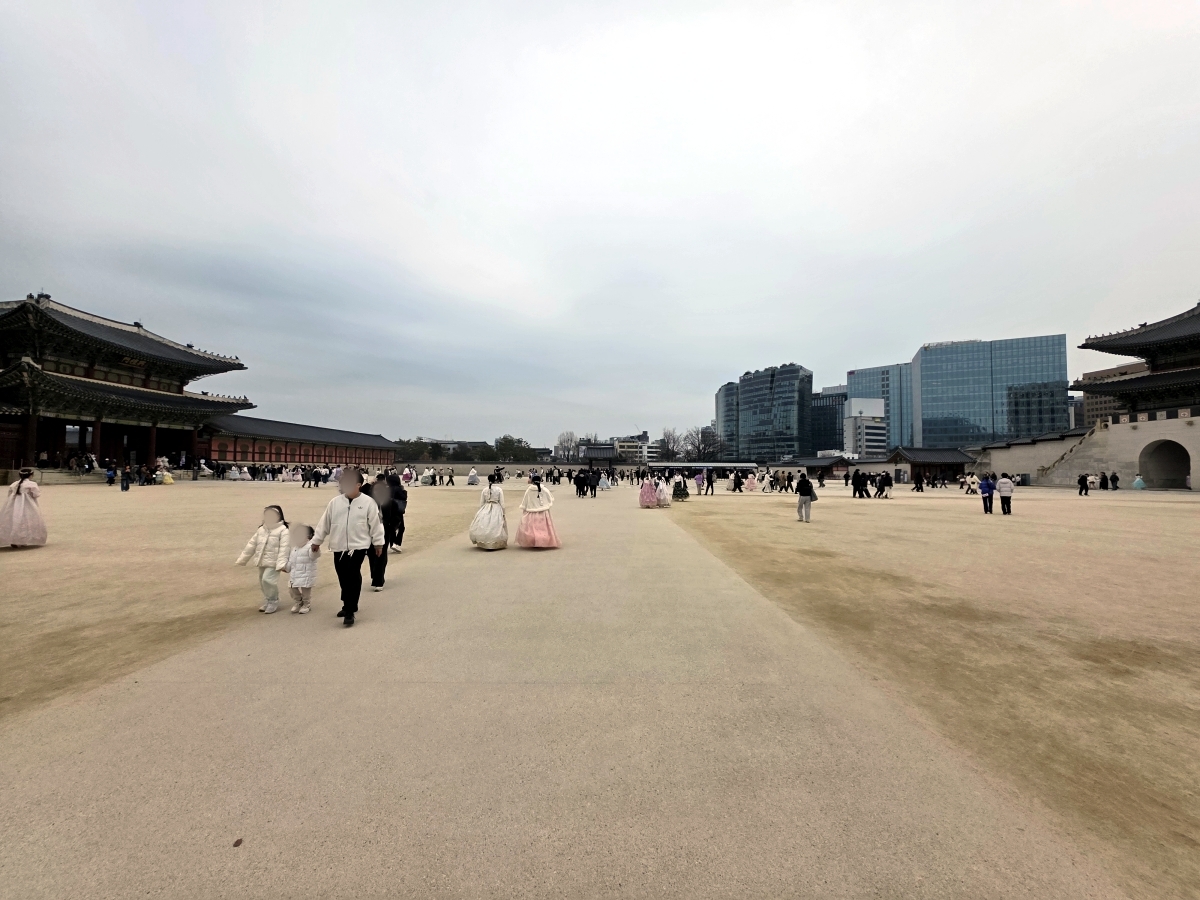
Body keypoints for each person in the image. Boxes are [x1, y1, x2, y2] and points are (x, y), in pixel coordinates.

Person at [311, 468, 385, 627]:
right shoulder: (335, 502)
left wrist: (378, 543)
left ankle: (350, 609)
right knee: (342, 575)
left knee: (352, 574)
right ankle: (348, 603)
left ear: (359, 484)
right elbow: (324, 523)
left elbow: (376, 525)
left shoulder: (368, 502)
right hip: (338, 546)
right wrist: (317, 541)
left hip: (358, 546)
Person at [235, 505, 291, 613]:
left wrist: (282, 563)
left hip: (274, 562)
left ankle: (274, 600)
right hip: (262, 560)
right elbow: (251, 545)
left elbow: (285, 548)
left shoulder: (283, 530)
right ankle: (268, 599)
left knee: (268, 580)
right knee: (262, 581)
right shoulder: (261, 529)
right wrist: (243, 559)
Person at [0, 468, 48, 547]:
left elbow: (9, 494)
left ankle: (14, 539)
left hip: (13, 504)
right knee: (27, 519)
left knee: (14, 519)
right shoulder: (32, 484)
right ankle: (23, 539)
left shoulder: (14, 484)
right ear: (31, 475)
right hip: (28, 504)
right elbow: (36, 494)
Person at [516, 475, 560, 548]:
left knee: (532, 528)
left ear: (532, 481)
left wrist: (525, 508)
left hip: (531, 511)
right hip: (543, 512)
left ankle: (533, 540)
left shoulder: (529, 490)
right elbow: (550, 499)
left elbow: (525, 501)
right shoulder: (544, 489)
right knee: (542, 527)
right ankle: (543, 540)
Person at [470, 474, 508, 550]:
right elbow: (502, 503)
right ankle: (495, 541)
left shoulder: (485, 489)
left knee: (485, 524)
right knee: (495, 525)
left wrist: (481, 511)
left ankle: (484, 541)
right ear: (496, 479)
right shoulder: (499, 489)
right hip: (496, 507)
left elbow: (481, 502)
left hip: (486, 507)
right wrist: (503, 512)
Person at [286, 524, 318, 614]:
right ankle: (298, 602)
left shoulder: (310, 547)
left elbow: (314, 556)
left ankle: (306, 604)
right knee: (292, 589)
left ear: (308, 537)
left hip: (306, 574)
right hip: (295, 574)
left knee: (305, 592)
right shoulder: (294, 548)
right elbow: (291, 560)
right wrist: (286, 567)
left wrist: (315, 550)